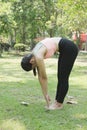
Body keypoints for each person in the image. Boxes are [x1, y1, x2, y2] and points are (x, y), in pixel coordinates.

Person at [21, 37, 79, 110]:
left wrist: (46, 94)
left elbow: (44, 77)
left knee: (63, 77)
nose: (35, 67)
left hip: (69, 48)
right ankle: (57, 102)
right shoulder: (34, 54)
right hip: (65, 49)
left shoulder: (38, 56)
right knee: (60, 76)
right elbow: (40, 76)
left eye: (33, 67)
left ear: (31, 61)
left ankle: (59, 104)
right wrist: (45, 94)